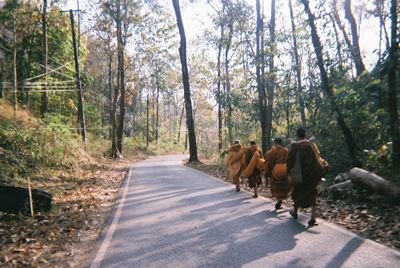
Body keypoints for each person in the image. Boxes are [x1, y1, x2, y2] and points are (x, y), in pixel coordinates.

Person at [287, 127, 328, 227]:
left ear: (297, 135)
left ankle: (295, 211)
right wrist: (319, 173)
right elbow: (317, 158)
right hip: (311, 175)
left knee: (297, 193)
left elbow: (289, 161)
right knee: (312, 195)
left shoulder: (295, 147)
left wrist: (289, 173)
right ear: (305, 135)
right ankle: (313, 218)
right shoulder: (311, 145)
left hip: (299, 176)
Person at [264, 138, 292, 210]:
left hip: (276, 170)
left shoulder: (273, 151)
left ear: (275, 143)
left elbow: (269, 161)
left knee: (276, 186)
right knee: (283, 186)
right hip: (284, 170)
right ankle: (280, 201)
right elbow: (289, 161)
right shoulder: (286, 150)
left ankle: (279, 200)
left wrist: (268, 172)